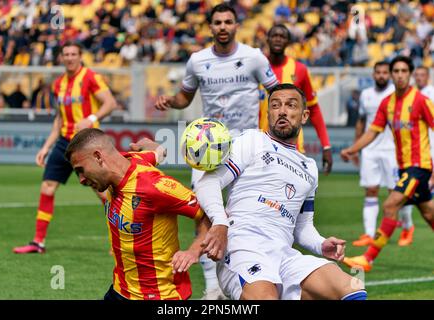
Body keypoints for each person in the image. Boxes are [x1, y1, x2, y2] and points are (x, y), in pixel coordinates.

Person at [195, 83, 366, 300]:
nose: (282, 111)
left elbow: (302, 226)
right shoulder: (251, 140)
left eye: (290, 105)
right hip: (243, 247)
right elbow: (207, 184)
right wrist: (220, 222)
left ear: (304, 116)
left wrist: (320, 244)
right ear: (268, 113)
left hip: (284, 255)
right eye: (275, 105)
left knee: (352, 286)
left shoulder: (309, 168)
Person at [154, 3, 279, 299]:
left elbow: (277, 91)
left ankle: (252, 277)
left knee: (247, 212)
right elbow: (185, 97)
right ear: (210, 27)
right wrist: (170, 101)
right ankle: (213, 287)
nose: (223, 27)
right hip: (207, 148)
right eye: (218, 22)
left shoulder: (253, 57)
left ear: (237, 26)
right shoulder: (197, 61)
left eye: (228, 22)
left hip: (246, 145)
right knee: (206, 215)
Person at [64, 128, 211, 300]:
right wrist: (155, 147)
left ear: (98, 157)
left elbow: (208, 215)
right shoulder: (129, 160)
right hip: (120, 290)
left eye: (81, 170)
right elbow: (157, 152)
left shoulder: (155, 187)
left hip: (161, 296)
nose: (81, 179)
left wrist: (193, 251)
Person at [13, 41, 117, 254]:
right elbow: (59, 119)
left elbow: (110, 103)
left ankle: (118, 242)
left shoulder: (90, 77)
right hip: (63, 142)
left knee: (104, 194)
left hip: (87, 142)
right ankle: (38, 242)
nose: (69, 57)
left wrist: (91, 117)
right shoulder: (59, 83)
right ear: (61, 58)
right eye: (66, 54)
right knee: (47, 187)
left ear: (80, 56)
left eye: (73, 54)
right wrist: (45, 147)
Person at [341, 56, 434, 272]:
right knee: (429, 214)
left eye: (404, 71)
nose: (400, 75)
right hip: (405, 168)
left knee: (390, 205)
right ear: (392, 75)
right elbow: (373, 131)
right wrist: (353, 149)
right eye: (396, 71)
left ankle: (368, 259)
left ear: (409, 74)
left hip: (418, 167)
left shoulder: (420, 101)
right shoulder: (387, 103)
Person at [352, 61, 414, 248]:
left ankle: (407, 227)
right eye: (377, 72)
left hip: (392, 150)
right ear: (373, 74)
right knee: (371, 190)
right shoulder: (366, 95)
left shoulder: (396, 95)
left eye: (384, 72)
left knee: (396, 194)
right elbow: (361, 122)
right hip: (370, 149)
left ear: (390, 75)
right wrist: (356, 147)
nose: (381, 75)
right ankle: (369, 234)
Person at [259, 24, 332, 174]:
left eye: (282, 36)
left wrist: (326, 145)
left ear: (288, 42)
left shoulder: (300, 70)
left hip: (292, 146)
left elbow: (314, 109)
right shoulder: (256, 67)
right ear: (267, 39)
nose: (278, 39)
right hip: (259, 145)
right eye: (274, 35)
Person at [413, 66, 434, 162]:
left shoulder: (431, 93)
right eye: (416, 75)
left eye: (422, 75)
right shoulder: (412, 93)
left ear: (428, 76)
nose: (419, 78)